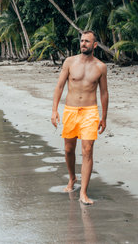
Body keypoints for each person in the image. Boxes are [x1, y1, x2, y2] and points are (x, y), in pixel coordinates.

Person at [51, 30, 109, 205]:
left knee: (87, 151)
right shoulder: (69, 62)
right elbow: (60, 86)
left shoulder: (100, 67)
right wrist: (54, 110)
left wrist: (104, 117)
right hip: (71, 110)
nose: (83, 43)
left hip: (90, 112)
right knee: (69, 149)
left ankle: (83, 192)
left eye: (87, 41)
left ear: (95, 45)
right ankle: (72, 178)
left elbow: (104, 93)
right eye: (82, 40)